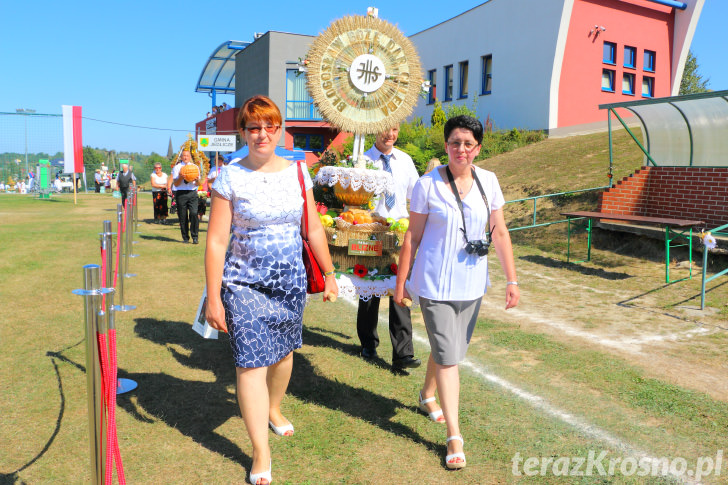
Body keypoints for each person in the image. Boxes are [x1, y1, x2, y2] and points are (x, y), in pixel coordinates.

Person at [205, 95, 338, 485]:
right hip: (244, 284)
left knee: (283, 354)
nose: (262, 134)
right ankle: (261, 452)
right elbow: (216, 241)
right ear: (242, 132)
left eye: (269, 126)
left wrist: (329, 273)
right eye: (253, 127)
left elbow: (311, 228)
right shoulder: (229, 176)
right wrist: (214, 298)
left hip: (290, 283)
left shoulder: (299, 171)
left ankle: (274, 408)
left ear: (279, 130)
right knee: (250, 364)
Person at [394, 115, 520, 470]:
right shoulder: (427, 184)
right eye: (454, 143)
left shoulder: (489, 182)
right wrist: (401, 283)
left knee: (449, 347)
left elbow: (500, 233)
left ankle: (426, 395)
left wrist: (512, 280)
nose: (461, 149)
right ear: (445, 145)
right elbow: (412, 237)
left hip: (471, 284)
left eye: (468, 144)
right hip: (434, 283)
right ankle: (454, 435)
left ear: (478, 148)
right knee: (449, 357)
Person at [356, 125, 422, 371]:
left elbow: (417, 195)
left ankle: (403, 354)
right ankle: (368, 343)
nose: (390, 134)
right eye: (385, 129)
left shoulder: (405, 160)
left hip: (400, 234)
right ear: (375, 131)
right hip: (370, 232)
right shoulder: (362, 161)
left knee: (400, 288)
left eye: (394, 129)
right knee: (369, 291)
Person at [171, 150, 200, 243]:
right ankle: (185, 238)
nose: (186, 157)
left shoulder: (195, 167)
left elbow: (198, 183)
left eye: (187, 155)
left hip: (192, 193)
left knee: (194, 213)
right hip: (181, 193)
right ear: (181, 157)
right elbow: (175, 183)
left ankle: (195, 237)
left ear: (190, 157)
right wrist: (180, 177)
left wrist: (196, 180)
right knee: (183, 216)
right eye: (184, 155)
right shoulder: (177, 168)